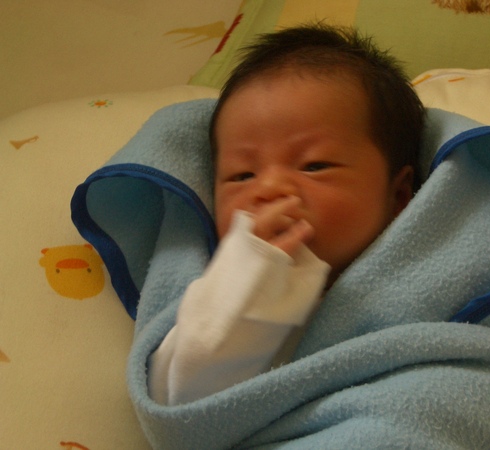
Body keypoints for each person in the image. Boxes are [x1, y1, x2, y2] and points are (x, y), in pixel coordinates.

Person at [147, 23, 426, 406]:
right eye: (242, 175)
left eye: (314, 166)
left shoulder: (433, 281)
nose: (269, 189)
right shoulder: (212, 294)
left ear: (398, 196)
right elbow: (176, 398)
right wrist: (248, 276)